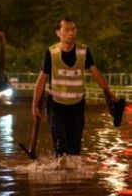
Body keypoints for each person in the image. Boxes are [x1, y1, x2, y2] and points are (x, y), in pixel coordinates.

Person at [32, 17, 125, 157]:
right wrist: (34, 105)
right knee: (60, 148)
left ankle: (73, 177)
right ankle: (61, 174)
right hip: (56, 106)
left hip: (77, 107)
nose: (71, 33)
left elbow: (96, 74)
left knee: (74, 151)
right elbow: (41, 81)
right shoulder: (51, 53)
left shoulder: (84, 51)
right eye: (67, 30)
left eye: (73, 29)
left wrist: (111, 96)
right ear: (58, 32)